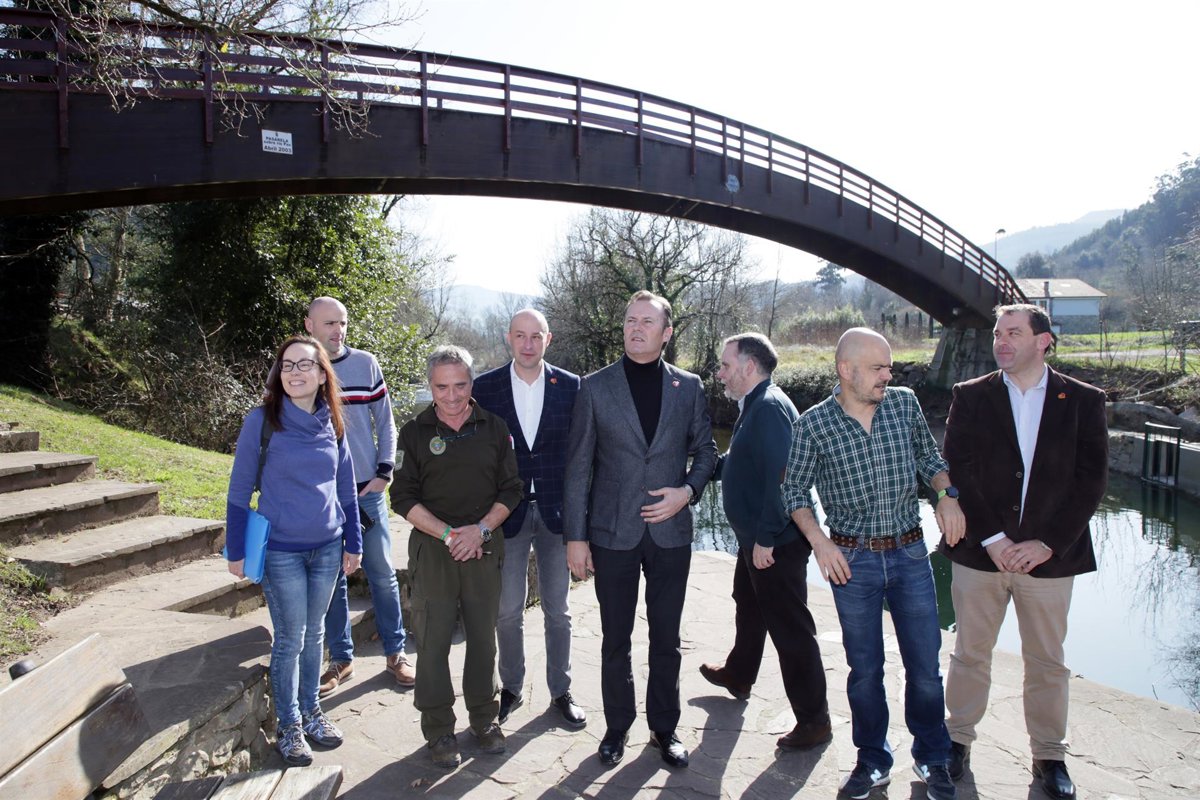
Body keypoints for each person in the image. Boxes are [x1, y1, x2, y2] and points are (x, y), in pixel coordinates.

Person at [781, 327, 962, 800]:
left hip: (910, 554)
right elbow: (793, 490)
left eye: (889, 367)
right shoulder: (813, 424)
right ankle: (873, 760)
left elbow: (928, 457)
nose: (888, 375)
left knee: (925, 668)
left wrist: (946, 494)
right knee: (865, 672)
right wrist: (820, 542)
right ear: (847, 370)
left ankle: (932, 756)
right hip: (852, 562)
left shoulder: (903, 404)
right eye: (879, 368)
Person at [940, 304, 1107, 800]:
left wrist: (1046, 543)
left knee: (1047, 661)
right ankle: (956, 742)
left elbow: (1090, 481)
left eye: (1014, 332)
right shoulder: (971, 395)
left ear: (1043, 340)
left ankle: (1049, 756)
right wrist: (994, 539)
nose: (1002, 341)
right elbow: (958, 468)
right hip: (980, 554)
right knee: (969, 654)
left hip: (1050, 558)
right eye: (998, 333)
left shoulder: (1083, 400)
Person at [564, 290, 718, 769]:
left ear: (666, 332)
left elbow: (707, 452)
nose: (636, 328)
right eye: (631, 320)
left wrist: (686, 492)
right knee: (616, 638)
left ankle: (664, 728)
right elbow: (578, 467)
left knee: (666, 638)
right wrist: (576, 537)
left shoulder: (688, 386)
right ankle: (617, 727)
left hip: (671, 534)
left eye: (647, 322)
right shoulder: (595, 387)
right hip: (612, 532)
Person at [225, 335, 362, 767]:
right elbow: (239, 489)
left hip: (327, 548)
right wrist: (234, 550)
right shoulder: (262, 421)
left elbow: (345, 488)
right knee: (291, 639)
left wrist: (353, 541)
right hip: (281, 551)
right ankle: (289, 726)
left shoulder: (333, 422)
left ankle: (311, 712)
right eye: (287, 365)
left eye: (305, 365)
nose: (294, 372)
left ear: (323, 375)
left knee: (316, 633)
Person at [390, 345, 523, 769]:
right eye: (441, 387)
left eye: (460, 385)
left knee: (483, 640)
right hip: (434, 550)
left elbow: (512, 490)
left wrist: (479, 530)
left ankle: (484, 719)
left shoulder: (495, 427)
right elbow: (401, 496)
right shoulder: (413, 433)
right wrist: (449, 535)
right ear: (430, 386)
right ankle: (439, 729)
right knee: (432, 643)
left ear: (472, 382)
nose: (451, 396)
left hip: (483, 546)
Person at [698, 332, 831, 750]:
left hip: (776, 541)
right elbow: (744, 462)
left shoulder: (769, 408)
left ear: (749, 366)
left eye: (725, 365)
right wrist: (700, 472)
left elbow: (784, 479)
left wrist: (767, 539)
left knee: (791, 630)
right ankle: (739, 673)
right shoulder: (755, 403)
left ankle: (814, 720)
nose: (720, 373)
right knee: (748, 602)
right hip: (757, 535)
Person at [471, 309, 586, 729]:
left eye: (535, 336)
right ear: (509, 338)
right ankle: (512, 687)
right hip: (508, 514)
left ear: (548, 339)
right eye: (520, 336)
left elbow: (582, 455)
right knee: (507, 611)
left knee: (559, 610)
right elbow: (477, 452)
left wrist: (582, 523)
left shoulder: (572, 386)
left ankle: (561, 690)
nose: (527, 344)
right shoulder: (485, 388)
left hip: (556, 513)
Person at [304, 297, 414, 696]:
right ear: (310, 325)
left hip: (366, 493)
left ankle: (396, 653)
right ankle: (341, 659)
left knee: (382, 573)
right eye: (329, 323)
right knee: (332, 577)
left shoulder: (366, 364)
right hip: (322, 498)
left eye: (343, 323)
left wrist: (384, 472)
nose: (338, 330)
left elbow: (386, 422)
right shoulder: (296, 367)